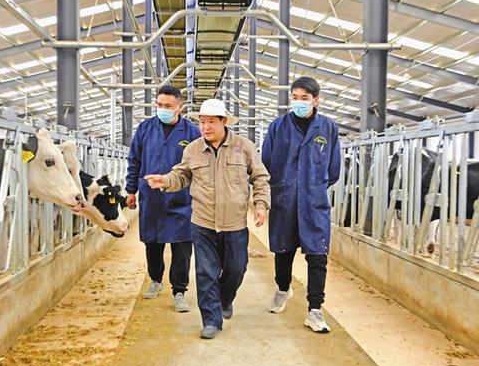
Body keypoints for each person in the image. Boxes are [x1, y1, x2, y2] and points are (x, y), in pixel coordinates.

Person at [145, 99, 270, 339]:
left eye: (211, 122)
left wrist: (261, 205)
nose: (205, 127)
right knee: (206, 273)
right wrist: (165, 181)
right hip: (202, 223)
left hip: (234, 224)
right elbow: (181, 175)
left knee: (237, 269)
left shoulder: (244, 146)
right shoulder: (192, 149)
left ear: (224, 121)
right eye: (202, 122)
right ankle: (211, 320)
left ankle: (225, 298)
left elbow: (260, 177)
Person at [261, 76, 341, 333]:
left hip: (314, 202)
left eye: (304, 99)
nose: (298, 103)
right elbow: (266, 162)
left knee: (318, 255)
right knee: (283, 251)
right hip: (284, 199)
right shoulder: (278, 127)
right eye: (294, 98)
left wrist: (314, 186)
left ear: (316, 100)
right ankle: (283, 289)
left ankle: (315, 310)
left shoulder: (328, 128)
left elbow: (334, 169)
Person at [125, 84, 201, 312]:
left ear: (180, 107)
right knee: (153, 242)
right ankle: (156, 279)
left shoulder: (192, 132)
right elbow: (134, 160)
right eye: (159, 105)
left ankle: (179, 291)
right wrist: (131, 190)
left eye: (168, 106)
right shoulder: (145, 128)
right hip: (151, 197)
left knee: (182, 246)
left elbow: (200, 166)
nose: (163, 109)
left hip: (182, 198)